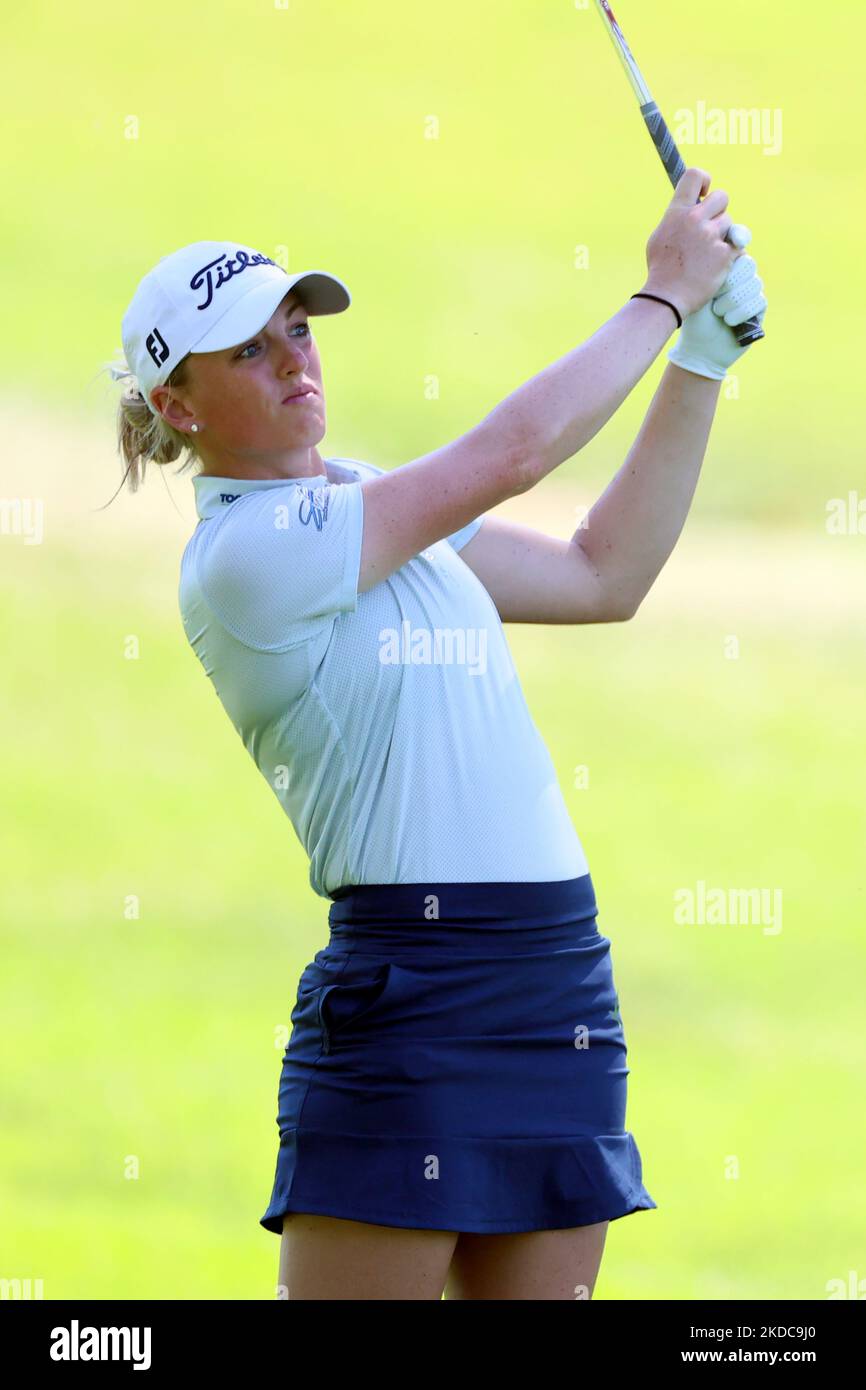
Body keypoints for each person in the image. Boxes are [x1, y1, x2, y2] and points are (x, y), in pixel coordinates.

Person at [109, 168, 767, 1300]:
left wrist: (698, 358)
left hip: (554, 978)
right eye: (251, 353)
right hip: (412, 992)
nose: (297, 361)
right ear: (176, 405)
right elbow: (508, 454)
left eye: (297, 331)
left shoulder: (369, 503)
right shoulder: (246, 559)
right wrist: (658, 297)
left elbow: (599, 574)